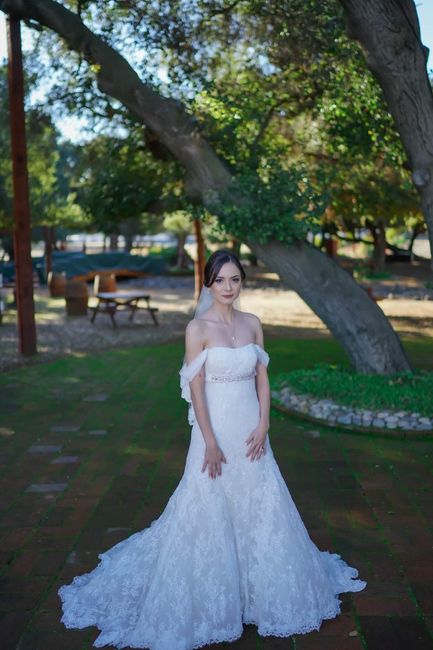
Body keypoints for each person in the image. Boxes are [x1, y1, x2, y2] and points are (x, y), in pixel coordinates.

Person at [58, 248, 366, 649]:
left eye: (235, 279)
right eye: (220, 280)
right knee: (207, 499)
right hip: (214, 428)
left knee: (260, 500)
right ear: (208, 283)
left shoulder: (253, 324)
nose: (228, 287)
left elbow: (262, 379)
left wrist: (264, 423)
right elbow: (196, 388)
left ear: (242, 283)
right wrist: (209, 441)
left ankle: (260, 593)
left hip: (250, 426)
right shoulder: (197, 328)